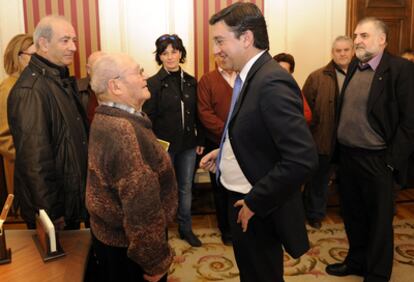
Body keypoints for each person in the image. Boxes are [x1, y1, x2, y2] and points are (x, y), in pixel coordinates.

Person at [200, 3, 318, 281]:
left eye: (220, 41)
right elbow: (257, 132)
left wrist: (255, 201)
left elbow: (302, 158)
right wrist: (225, 152)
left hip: (257, 206)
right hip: (244, 199)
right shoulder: (252, 76)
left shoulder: (271, 81)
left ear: (246, 38)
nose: (215, 49)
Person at [326, 18, 414, 282]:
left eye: (364, 35)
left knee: (379, 222)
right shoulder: (355, 65)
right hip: (349, 157)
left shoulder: (400, 69)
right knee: (353, 216)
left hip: (378, 160)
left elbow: (410, 121)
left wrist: (391, 162)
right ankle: (356, 261)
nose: (357, 41)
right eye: (356, 36)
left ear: (382, 39)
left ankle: (376, 273)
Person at [87, 53, 177, 282]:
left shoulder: (111, 118)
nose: (144, 76)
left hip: (114, 241)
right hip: (129, 250)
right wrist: (154, 263)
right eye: (138, 72)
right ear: (115, 86)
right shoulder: (123, 130)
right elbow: (141, 208)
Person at [7, 15, 89, 229]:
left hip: (68, 200)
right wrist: (50, 213)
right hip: (54, 210)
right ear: (43, 43)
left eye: (74, 40)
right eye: (65, 40)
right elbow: (35, 161)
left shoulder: (57, 80)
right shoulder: (31, 90)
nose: (73, 47)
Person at [143, 34, 204, 247]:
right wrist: (152, 145)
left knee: (186, 187)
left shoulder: (190, 81)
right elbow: (147, 117)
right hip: (164, 147)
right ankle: (161, 232)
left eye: (174, 52)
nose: (170, 57)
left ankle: (185, 228)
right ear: (159, 56)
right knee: (163, 189)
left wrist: (201, 140)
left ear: (181, 53)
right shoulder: (153, 83)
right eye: (165, 53)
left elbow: (198, 114)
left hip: (188, 144)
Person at [301, 36, 354, 229]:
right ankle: (314, 214)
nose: (342, 54)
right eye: (338, 50)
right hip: (323, 139)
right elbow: (303, 110)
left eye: (346, 50)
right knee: (319, 180)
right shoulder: (317, 77)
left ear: (352, 51)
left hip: (351, 140)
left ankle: (349, 211)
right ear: (332, 53)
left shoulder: (361, 75)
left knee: (350, 180)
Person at [197, 53, 236, 245]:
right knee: (220, 188)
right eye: (219, 56)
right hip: (217, 143)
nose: (223, 58)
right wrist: (229, 132)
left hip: (243, 143)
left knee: (240, 185)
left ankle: (241, 226)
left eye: (226, 55)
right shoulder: (207, 80)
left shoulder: (244, 76)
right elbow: (204, 113)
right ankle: (227, 231)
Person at [0, 34, 35, 203]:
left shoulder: (28, 84)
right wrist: (31, 161)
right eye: (33, 56)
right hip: (20, 172)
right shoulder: (8, 88)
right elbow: (4, 138)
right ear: (17, 56)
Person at [272, 52, 312, 125]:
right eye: (277, 69)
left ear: (291, 73)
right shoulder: (266, 88)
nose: (280, 73)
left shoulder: (294, 90)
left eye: (284, 71)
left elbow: (307, 115)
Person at [77, 51, 106, 125]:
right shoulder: (76, 89)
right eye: (97, 67)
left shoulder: (116, 88)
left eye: (105, 66)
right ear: (88, 69)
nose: (102, 71)